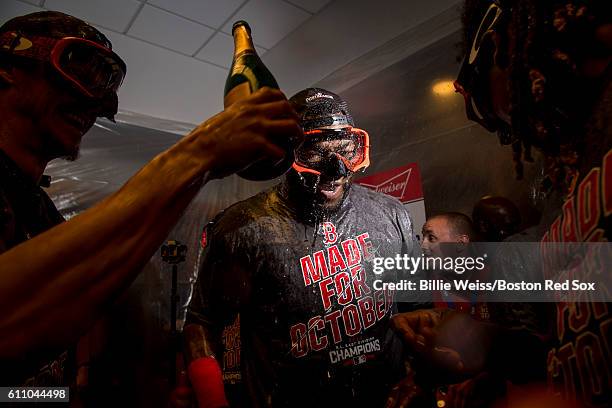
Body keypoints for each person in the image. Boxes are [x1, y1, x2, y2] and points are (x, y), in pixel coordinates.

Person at [0, 11, 302, 387]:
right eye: (79, 68)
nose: (94, 104)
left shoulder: (36, 206)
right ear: (8, 64)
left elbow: (62, 314)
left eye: (104, 85)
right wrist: (201, 153)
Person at [184, 87, 421, 407]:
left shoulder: (393, 215)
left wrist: (421, 376)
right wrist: (213, 399)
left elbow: (416, 309)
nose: (336, 169)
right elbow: (204, 323)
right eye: (314, 152)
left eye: (345, 150)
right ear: (285, 153)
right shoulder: (243, 227)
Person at [454, 1, 611, 406]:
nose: (506, 127)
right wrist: (491, 350)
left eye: (498, 115)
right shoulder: (570, 168)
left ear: (498, 45)